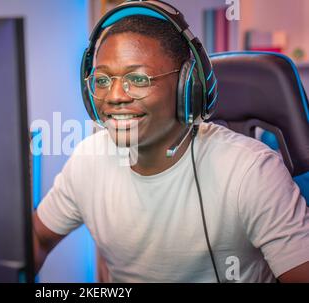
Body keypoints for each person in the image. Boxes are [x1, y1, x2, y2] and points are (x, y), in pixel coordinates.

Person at [32, 12, 309, 282]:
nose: (114, 96)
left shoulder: (251, 171)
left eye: (138, 79)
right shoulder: (88, 160)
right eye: (103, 80)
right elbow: (37, 238)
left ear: (186, 87)